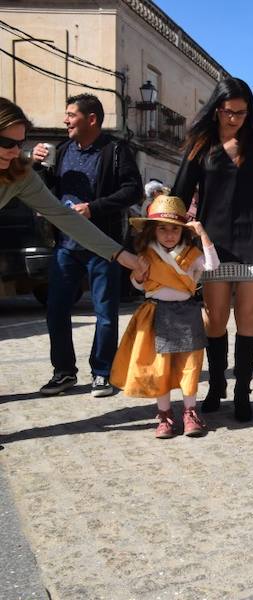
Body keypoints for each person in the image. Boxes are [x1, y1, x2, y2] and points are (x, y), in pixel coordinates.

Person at [172, 77, 253, 422]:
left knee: (248, 317)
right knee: (217, 319)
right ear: (216, 109)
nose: (234, 118)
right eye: (228, 112)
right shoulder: (200, 143)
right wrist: (168, 233)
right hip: (214, 243)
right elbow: (179, 192)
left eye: (241, 112)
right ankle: (217, 383)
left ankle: (241, 391)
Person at [36, 94, 143, 398]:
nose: (65, 120)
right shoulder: (64, 150)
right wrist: (38, 166)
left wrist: (94, 208)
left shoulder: (117, 151)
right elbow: (50, 191)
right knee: (56, 309)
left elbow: (133, 191)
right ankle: (64, 372)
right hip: (66, 245)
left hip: (104, 246)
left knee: (105, 312)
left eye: (71, 114)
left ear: (91, 119)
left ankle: (102, 373)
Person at [110, 195, 219, 438]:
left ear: (183, 231)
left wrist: (202, 234)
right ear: (152, 231)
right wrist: (139, 276)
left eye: (174, 229)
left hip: (188, 314)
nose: (169, 234)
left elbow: (213, 266)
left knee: (190, 366)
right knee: (160, 367)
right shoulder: (145, 255)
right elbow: (138, 286)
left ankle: (190, 412)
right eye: (162, 229)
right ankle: (165, 415)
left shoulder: (191, 254)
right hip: (156, 314)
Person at [0, 99, 145, 281]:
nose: (15, 152)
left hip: (92, 242)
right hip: (66, 248)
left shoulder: (20, 174)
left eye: (20, 144)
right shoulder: (63, 149)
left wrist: (126, 258)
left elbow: (64, 216)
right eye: (7, 143)